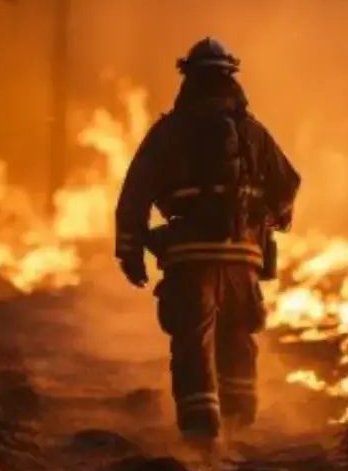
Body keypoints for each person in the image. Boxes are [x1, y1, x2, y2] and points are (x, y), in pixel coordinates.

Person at [114, 37, 301, 449]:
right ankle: (239, 429)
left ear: (188, 79)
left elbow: (135, 194)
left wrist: (130, 251)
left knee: (192, 343)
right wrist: (268, 217)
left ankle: (202, 440)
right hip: (244, 261)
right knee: (238, 339)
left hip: (189, 260)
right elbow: (288, 183)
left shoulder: (168, 132)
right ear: (231, 78)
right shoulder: (254, 133)